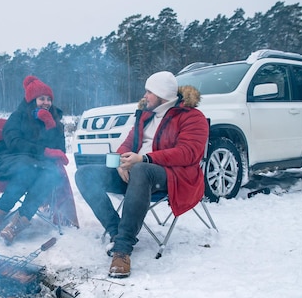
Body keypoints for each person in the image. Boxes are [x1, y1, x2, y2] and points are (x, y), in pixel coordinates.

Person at [75, 71, 208, 278]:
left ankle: (122, 249)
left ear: (162, 94)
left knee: (141, 170)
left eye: (149, 91)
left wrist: (145, 159)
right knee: (85, 174)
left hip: (172, 177)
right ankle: (116, 230)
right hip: (135, 174)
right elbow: (128, 144)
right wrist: (121, 162)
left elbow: (188, 153)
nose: (144, 96)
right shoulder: (145, 115)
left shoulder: (191, 117)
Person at [0, 75, 69, 245]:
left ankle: (18, 223)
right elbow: (13, 142)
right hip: (13, 157)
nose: (46, 103)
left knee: (49, 177)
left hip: (41, 162)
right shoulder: (18, 116)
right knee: (27, 172)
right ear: (32, 99)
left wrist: (52, 127)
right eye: (42, 98)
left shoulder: (55, 120)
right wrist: (44, 151)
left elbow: (60, 150)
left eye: (49, 99)